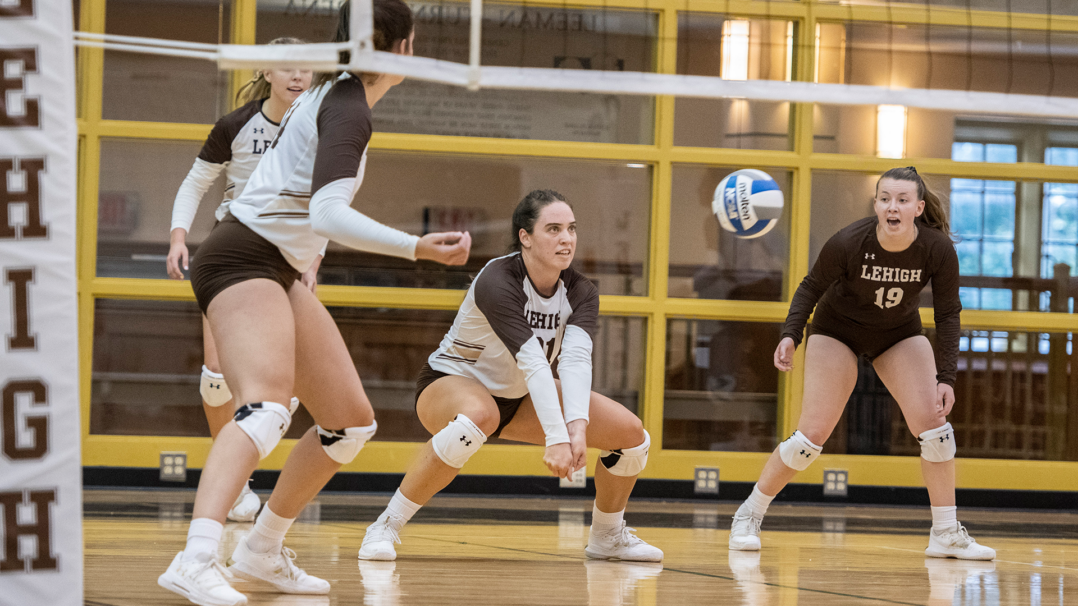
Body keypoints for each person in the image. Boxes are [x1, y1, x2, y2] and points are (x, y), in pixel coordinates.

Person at [157, 3, 472, 605]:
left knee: (349, 423)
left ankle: (263, 548)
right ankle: (195, 557)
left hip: (278, 264)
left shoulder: (336, 91)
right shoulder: (348, 107)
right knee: (266, 410)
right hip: (241, 256)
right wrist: (417, 248)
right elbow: (326, 213)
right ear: (400, 48)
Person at [357, 190, 663, 564]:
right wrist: (557, 437)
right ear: (525, 237)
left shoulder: (581, 291)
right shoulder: (497, 278)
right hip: (448, 384)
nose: (566, 238)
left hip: (517, 397)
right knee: (478, 417)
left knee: (632, 437)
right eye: (553, 229)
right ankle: (385, 526)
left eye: (571, 229)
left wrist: (577, 429)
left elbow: (576, 362)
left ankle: (607, 537)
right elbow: (533, 359)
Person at [727, 166, 995, 561]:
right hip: (837, 331)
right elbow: (810, 288)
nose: (893, 206)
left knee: (937, 432)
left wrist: (946, 376)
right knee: (810, 439)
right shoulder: (850, 242)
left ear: (918, 207)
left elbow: (949, 314)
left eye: (902, 200)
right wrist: (790, 334)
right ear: (876, 204)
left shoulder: (936, 249)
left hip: (898, 335)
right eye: (885, 198)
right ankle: (749, 514)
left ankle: (946, 533)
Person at [166, 38, 313, 524]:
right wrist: (178, 237)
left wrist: (312, 262)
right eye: (287, 67)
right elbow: (194, 182)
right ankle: (236, 487)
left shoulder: (318, 127)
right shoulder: (236, 125)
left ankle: (263, 498)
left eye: (307, 69)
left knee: (290, 385)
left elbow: (327, 200)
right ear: (266, 72)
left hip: (288, 256)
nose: (298, 76)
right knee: (215, 381)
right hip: (232, 250)